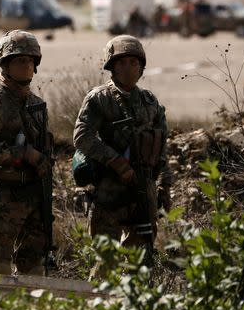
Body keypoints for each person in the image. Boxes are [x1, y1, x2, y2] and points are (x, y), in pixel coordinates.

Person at [73, 35, 171, 256]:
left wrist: (165, 186)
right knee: (104, 262)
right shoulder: (99, 98)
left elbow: (161, 147)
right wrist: (116, 162)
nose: (128, 68)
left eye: (134, 63)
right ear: (112, 67)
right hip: (109, 192)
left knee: (140, 263)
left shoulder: (150, 102)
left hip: (143, 192)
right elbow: (82, 137)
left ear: (141, 67)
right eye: (121, 63)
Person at [0, 30, 53, 275]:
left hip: (35, 193)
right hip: (6, 195)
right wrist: (24, 154)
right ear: (5, 64)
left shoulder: (35, 103)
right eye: (20, 60)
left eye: (30, 61)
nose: (27, 66)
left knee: (34, 270)